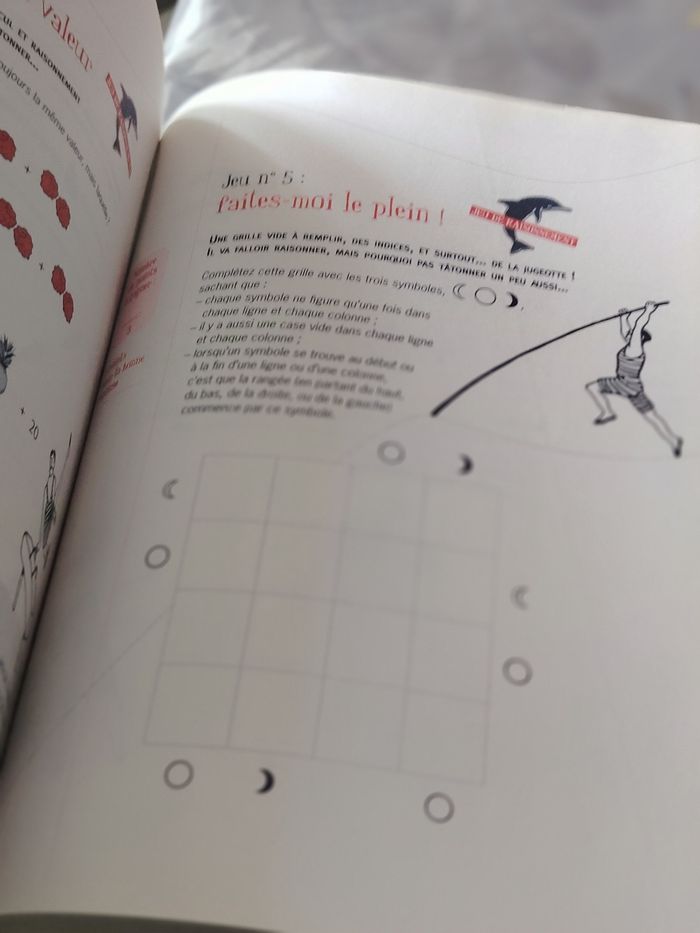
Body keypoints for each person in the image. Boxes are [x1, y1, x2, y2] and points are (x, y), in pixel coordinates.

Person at [585, 300, 682, 457]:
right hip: (632, 387)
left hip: (624, 383)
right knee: (651, 416)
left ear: (640, 338)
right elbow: (626, 331)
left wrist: (648, 311)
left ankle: (608, 412)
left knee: (593, 387)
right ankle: (674, 440)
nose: (628, 334)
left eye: (633, 334)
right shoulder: (631, 346)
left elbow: (637, 327)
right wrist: (623, 317)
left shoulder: (635, 348)